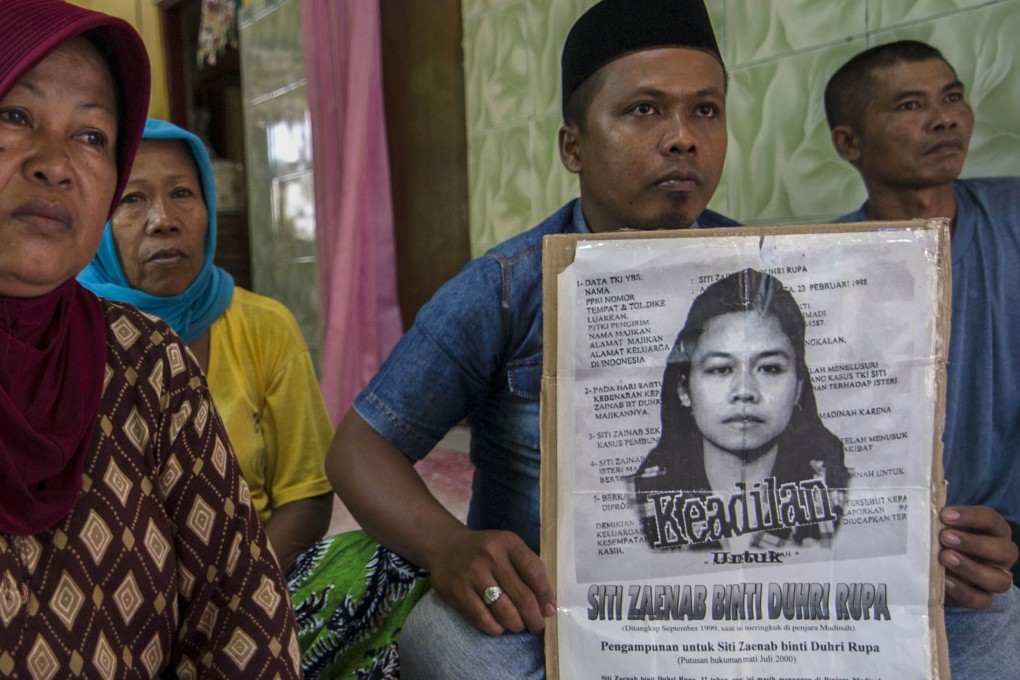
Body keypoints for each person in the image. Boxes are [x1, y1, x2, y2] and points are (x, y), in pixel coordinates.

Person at [327, 1, 735, 677]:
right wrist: (449, 547)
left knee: (973, 626)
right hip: (551, 612)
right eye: (643, 111)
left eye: (706, 110)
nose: (682, 138)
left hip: (733, 599)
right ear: (573, 146)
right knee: (445, 643)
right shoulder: (508, 287)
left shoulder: (771, 270)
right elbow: (358, 451)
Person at [0, 1, 301, 677]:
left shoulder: (145, 359)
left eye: (92, 137)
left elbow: (242, 611)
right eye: (15, 115)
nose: (56, 164)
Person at [78, 118, 429, 678]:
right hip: (116, 604)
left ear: (209, 210)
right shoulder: (71, 336)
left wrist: (238, 595)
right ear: (96, 218)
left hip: (256, 576)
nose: (163, 220)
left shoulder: (264, 326)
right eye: (132, 199)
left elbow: (308, 495)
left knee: (399, 567)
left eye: (182, 194)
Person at [825, 39, 1020, 677]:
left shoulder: (1013, 219)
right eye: (911, 105)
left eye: (953, 97)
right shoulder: (826, 271)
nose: (945, 119)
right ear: (849, 143)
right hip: (893, 558)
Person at [633, 269, 847, 551]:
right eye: (721, 369)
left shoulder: (844, 496)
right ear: (684, 389)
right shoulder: (631, 503)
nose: (745, 390)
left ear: (798, 387)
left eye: (770, 368)